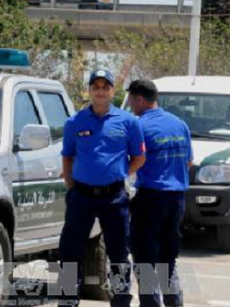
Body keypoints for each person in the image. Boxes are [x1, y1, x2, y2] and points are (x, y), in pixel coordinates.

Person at [59, 69, 146, 307]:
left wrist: (118, 173)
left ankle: (121, 301)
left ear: (112, 91)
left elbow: (139, 157)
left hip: (114, 197)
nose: (100, 91)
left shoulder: (128, 122)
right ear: (89, 91)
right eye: (95, 87)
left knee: (118, 254)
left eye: (104, 87)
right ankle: (67, 300)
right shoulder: (74, 122)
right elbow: (67, 157)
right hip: (81, 196)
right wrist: (71, 184)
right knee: (70, 252)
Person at [127, 79, 193, 307]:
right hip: (176, 200)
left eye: (131, 100)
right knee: (168, 261)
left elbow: (133, 161)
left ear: (140, 99)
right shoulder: (180, 124)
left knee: (144, 261)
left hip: (151, 199)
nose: (130, 105)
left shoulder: (139, 126)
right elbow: (189, 162)